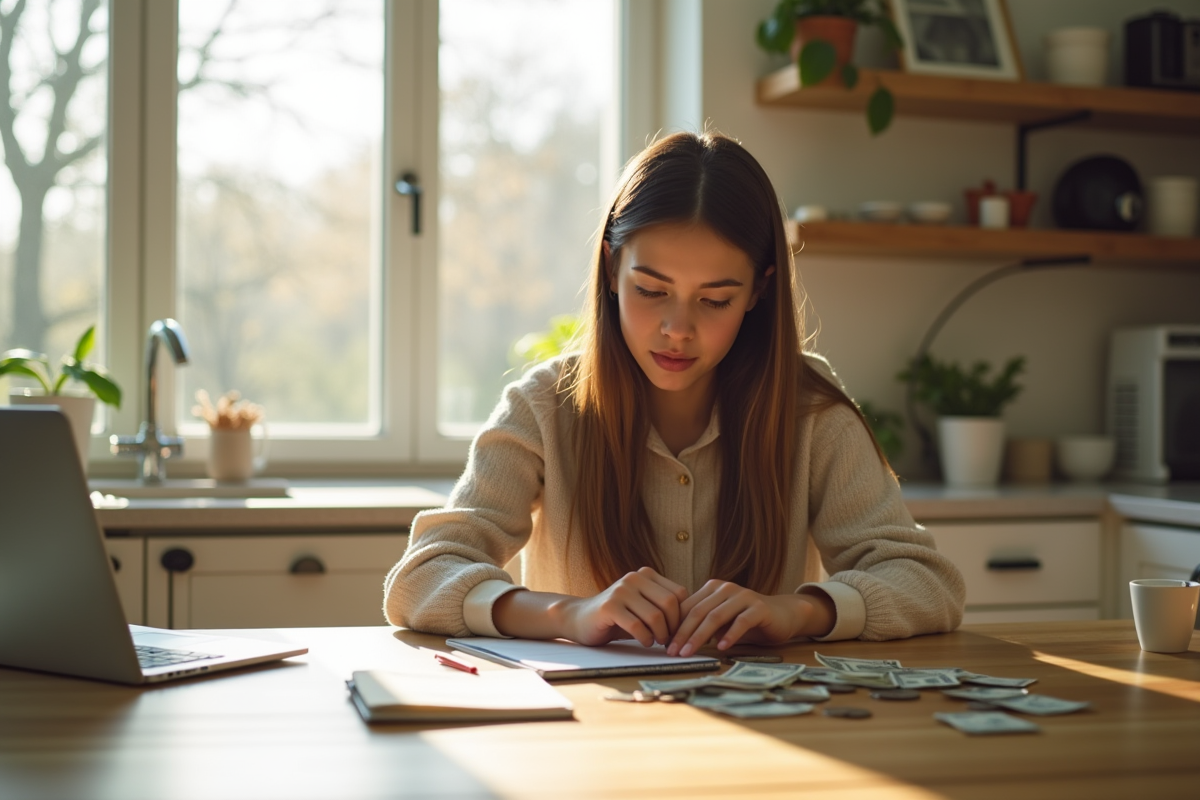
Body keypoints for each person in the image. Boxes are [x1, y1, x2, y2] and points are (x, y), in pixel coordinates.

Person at [384, 131, 964, 656]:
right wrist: (569, 613)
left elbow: (927, 582)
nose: (678, 329)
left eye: (715, 300)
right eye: (651, 290)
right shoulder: (543, 406)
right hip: (589, 740)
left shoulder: (806, 407)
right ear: (612, 270)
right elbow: (420, 579)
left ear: (759, 292)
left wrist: (797, 611)